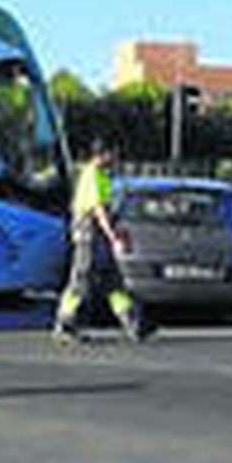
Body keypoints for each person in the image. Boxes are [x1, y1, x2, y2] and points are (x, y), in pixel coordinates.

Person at [53, 144, 148, 344]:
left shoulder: (102, 176)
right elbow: (98, 210)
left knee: (112, 280)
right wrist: (113, 236)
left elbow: (108, 210)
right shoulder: (92, 175)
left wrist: (114, 232)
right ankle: (65, 324)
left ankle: (132, 323)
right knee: (81, 279)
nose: (114, 159)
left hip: (98, 234)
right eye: (112, 154)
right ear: (101, 155)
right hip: (88, 234)